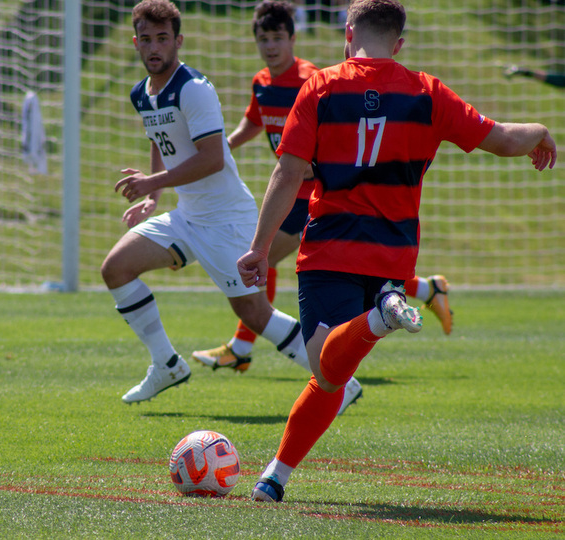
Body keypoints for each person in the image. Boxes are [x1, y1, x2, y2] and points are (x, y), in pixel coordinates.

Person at [236, 0, 555, 502]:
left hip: (331, 247)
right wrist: (538, 131)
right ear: (399, 42)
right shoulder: (428, 93)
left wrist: (258, 248)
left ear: (348, 33)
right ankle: (275, 477)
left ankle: (382, 319)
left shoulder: (318, 87)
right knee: (331, 377)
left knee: (324, 367)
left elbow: (288, 172)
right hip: (393, 254)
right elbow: (499, 139)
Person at [192, 0, 452, 390]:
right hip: (293, 194)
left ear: (292, 39)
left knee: (261, 260)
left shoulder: (312, 80)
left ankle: (243, 346)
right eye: (263, 39)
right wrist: (223, 148)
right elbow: (254, 121)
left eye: (277, 38)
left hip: (316, 195)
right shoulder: (262, 82)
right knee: (275, 261)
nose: (270, 46)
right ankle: (426, 288)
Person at [101, 0, 310, 405]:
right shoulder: (142, 94)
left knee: (254, 315)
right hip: (187, 217)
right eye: (146, 39)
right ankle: (167, 365)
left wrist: (152, 184)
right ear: (136, 43)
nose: (154, 47)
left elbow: (213, 159)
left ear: (178, 41)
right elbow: (161, 142)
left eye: (163, 38)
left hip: (227, 221)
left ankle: (337, 381)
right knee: (116, 268)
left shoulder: (192, 89)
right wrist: (155, 196)